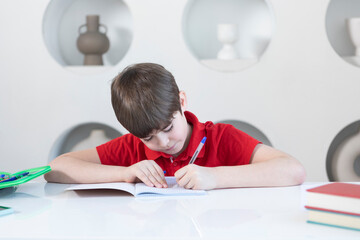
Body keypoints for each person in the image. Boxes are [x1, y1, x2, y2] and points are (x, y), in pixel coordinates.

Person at [45, 63, 306, 190]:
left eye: (169, 128)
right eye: (149, 138)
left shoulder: (221, 137)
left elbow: (293, 170)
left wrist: (215, 178)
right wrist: (124, 173)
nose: (163, 143)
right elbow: (55, 169)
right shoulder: (131, 147)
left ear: (181, 102)